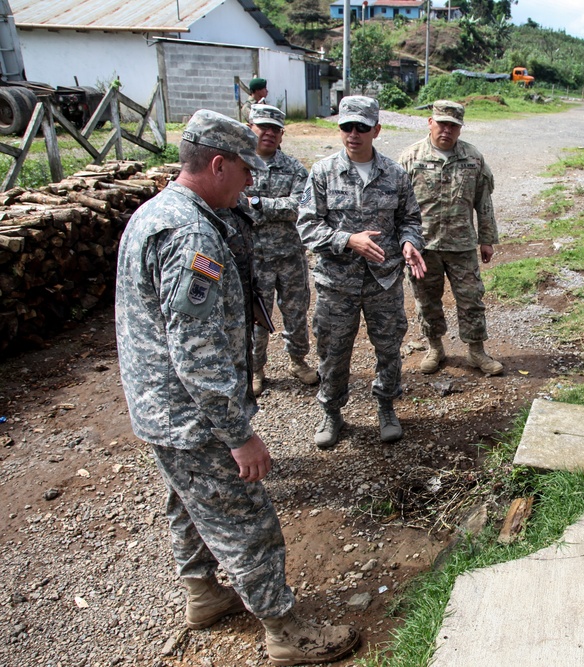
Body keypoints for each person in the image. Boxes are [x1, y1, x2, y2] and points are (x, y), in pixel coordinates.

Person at [115, 109, 360, 664]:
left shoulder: (157, 211)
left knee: (189, 501)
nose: (253, 181)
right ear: (217, 164)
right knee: (246, 518)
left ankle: (202, 594)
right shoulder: (189, 235)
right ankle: (284, 630)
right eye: (245, 171)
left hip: (160, 408)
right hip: (192, 415)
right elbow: (197, 355)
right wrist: (238, 434)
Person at [297, 95, 427, 448]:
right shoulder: (323, 173)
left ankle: (386, 406)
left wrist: (409, 243)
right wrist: (347, 239)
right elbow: (307, 227)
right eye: (346, 127)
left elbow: (410, 220)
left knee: (388, 347)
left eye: (361, 127)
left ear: (376, 130)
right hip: (336, 284)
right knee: (333, 349)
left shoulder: (395, 174)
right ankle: (332, 412)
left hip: (383, 280)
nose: (353, 134)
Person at [398, 99, 503, 376]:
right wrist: (401, 243)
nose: (447, 130)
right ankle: (435, 347)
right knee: (426, 299)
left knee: (471, 299)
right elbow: (396, 205)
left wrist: (487, 239)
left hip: (462, 245)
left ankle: (476, 351)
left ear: (460, 128)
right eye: (442, 123)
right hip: (424, 246)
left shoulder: (473, 158)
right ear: (430, 122)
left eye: (453, 126)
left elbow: (484, 202)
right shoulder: (410, 158)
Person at [242, 104, 317, 397]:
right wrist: (275, 206)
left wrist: (259, 204)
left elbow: (300, 206)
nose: (269, 133)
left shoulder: (294, 168)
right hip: (254, 257)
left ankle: (298, 361)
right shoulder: (240, 165)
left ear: (282, 135)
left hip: (290, 256)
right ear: (251, 129)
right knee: (257, 318)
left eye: (275, 129)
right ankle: (256, 369)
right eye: (263, 127)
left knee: (296, 312)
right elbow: (235, 203)